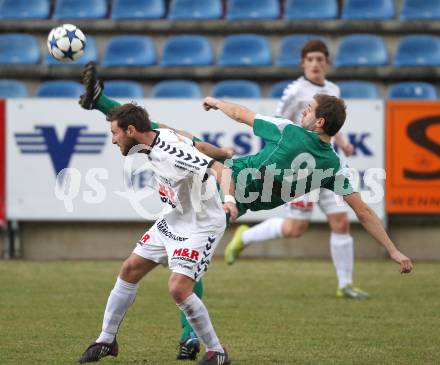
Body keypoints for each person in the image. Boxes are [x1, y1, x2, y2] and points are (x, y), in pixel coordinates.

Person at [78, 62, 234, 361]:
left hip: (201, 225)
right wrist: (222, 149)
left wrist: (230, 200)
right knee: (129, 269)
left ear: (132, 131)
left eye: (115, 133)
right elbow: (197, 143)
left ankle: (217, 351)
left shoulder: (171, 154)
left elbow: (218, 170)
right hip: (173, 219)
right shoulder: (158, 134)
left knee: (178, 288)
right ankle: (106, 340)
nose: (113, 140)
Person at [201, 95, 413, 277]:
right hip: (219, 183)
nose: (304, 111)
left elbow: (240, 113)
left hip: (228, 199)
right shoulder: (335, 166)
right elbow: (363, 211)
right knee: (191, 261)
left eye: (309, 109)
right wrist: (393, 250)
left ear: (319, 121)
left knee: (190, 260)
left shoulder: (287, 130)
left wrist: (216, 102)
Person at [224, 39, 369, 299]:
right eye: (310, 59)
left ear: (326, 63)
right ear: (303, 63)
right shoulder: (294, 91)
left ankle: (345, 284)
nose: (315, 64)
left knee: (341, 220)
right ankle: (244, 238)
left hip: (325, 166)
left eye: (320, 60)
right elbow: (277, 124)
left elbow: (332, 127)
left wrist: (344, 144)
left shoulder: (333, 89)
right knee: (295, 229)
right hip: (298, 171)